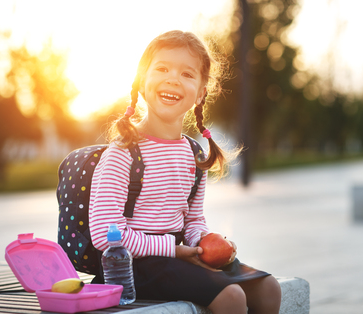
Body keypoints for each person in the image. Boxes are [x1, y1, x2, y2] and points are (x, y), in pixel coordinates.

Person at [89, 30, 281, 314]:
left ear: (201, 92)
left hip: (178, 257)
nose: (173, 79)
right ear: (142, 81)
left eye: (187, 74)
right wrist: (172, 250)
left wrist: (203, 242)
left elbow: (193, 219)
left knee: (269, 288)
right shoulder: (123, 152)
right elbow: (105, 234)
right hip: (133, 266)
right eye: (162, 68)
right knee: (231, 298)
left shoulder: (194, 154)